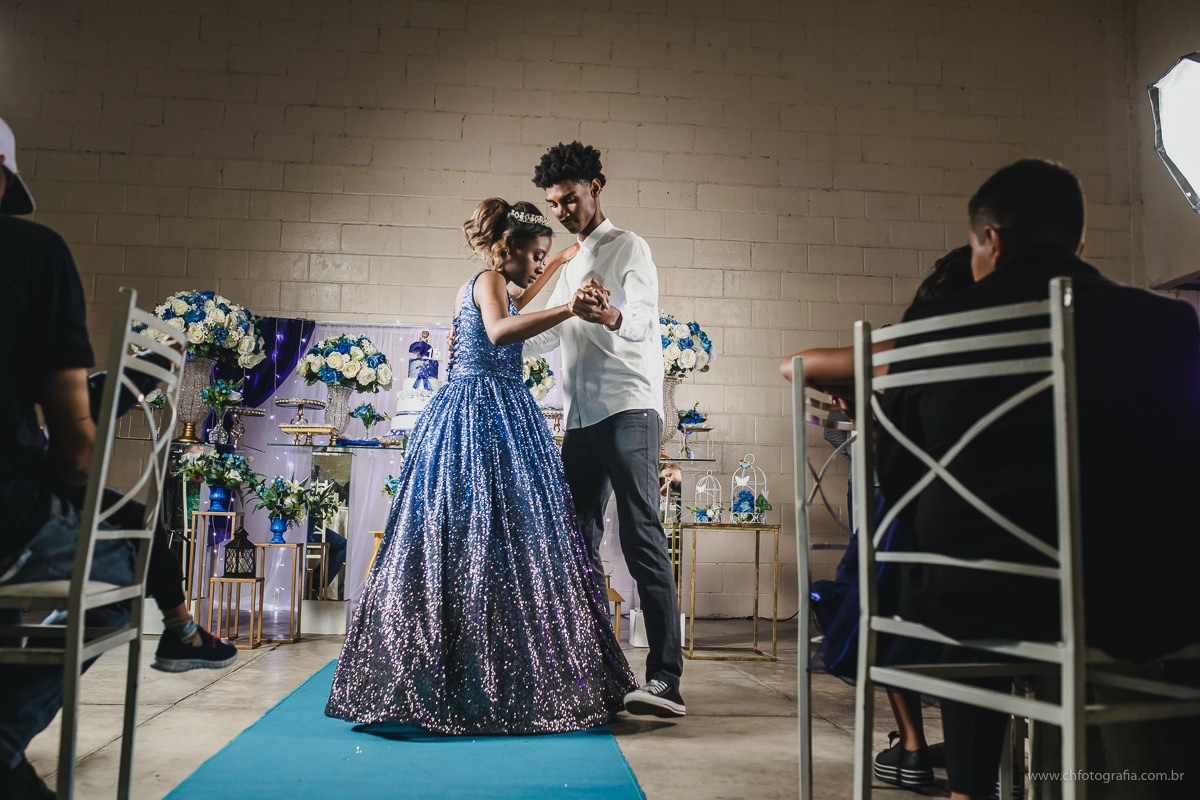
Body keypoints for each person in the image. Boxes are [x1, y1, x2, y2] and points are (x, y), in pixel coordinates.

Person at [877, 159, 1200, 800]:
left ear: (990, 240)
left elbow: (898, 479)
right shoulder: (1166, 326)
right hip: (1134, 599)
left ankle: (973, 786)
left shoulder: (926, 334)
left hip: (969, 599)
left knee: (961, 569)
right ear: (1078, 241)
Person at [326, 198, 636, 735]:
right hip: (478, 409)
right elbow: (498, 329)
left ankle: (488, 665)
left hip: (500, 404)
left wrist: (558, 266)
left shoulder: (500, 281)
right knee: (482, 531)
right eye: (535, 255)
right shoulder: (487, 280)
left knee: (497, 537)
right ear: (507, 250)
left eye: (543, 257)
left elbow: (517, 300)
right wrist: (569, 308)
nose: (539, 265)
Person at [781, 247, 973, 789]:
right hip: (1019, 562)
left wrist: (862, 393)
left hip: (917, 552)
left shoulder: (909, 345)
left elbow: (793, 366)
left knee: (883, 569)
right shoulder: (1039, 343)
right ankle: (988, 743)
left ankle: (912, 745)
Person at [525, 141, 686, 718]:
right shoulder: (566, 260)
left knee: (641, 539)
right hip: (580, 420)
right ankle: (594, 665)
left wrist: (609, 313)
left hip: (629, 410)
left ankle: (666, 679)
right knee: (575, 542)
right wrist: (490, 337)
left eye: (569, 198)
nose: (562, 210)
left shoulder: (628, 247)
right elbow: (550, 336)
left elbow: (643, 320)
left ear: (595, 186)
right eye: (553, 204)